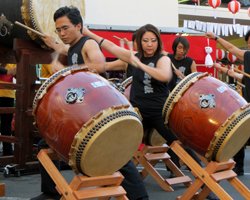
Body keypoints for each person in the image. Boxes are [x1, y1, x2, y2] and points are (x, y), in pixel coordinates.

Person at [32, 6, 148, 200]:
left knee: (115, 154)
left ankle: (139, 197)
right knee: (45, 144)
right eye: (58, 30)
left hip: (99, 110)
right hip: (84, 112)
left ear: (79, 26)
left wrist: (66, 69)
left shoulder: (89, 44)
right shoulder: (73, 47)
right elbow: (63, 48)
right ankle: (50, 191)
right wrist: (51, 43)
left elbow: (98, 65)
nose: (62, 33)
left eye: (65, 28)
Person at [83, 23, 185, 168]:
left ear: (158, 41)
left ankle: (200, 176)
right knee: (120, 144)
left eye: (153, 40)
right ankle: (117, 179)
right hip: (138, 113)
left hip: (159, 112)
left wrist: (140, 65)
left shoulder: (163, 59)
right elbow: (111, 47)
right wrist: (88, 33)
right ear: (139, 42)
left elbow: (164, 75)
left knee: (177, 143)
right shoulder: (133, 57)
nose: (149, 44)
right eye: (145, 41)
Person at [207, 30, 250, 176]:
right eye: (249, 41)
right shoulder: (248, 56)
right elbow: (232, 50)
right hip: (248, 104)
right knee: (241, 134)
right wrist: (225, 71)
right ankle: (239, 167)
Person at [0, 63, 16, 156]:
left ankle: (7, 152)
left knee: (6, 126)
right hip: (7, 95)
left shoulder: (13, 62)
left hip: (8, 96)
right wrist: (8, 71)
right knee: (6, 125)